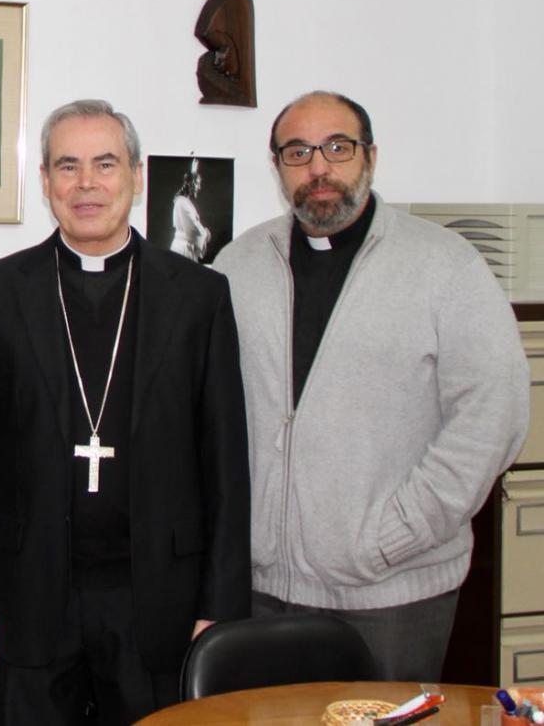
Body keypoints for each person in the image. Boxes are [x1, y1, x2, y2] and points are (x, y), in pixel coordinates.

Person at [0, 99, 249, 726]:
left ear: (135, 176)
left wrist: (221, 602)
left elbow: (225, 459)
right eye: (67, 166)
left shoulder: (199, 296)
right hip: (28, 595)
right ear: (47, 181)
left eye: (105, 164)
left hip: (158, 598)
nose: (86, 184)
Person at [213, 90, 530, 682]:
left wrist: (396, 533)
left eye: (338, 147)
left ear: (370, 157)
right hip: (262, 588)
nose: (318, 168)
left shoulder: (445, 265)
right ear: (277, 165)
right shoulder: (238, 265)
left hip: (393, 593)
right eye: (297, 151)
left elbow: (496, 412)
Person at [170, 159, 210, 261]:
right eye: (197, 183)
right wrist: (205, 233)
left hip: (187, 249)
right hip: (183, 250)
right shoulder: (182, 203)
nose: (199, 187)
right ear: (190, 184)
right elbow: (193, 227)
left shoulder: (185, 203)